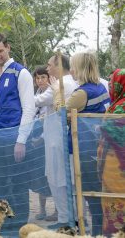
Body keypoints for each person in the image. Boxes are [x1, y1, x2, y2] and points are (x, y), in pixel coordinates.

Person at [0, 33, 36, 236]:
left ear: (8, 48)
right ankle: (4, 225)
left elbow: (29, 109)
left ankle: (20, 227)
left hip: (15, 141)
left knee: (18, 184)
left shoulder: (21, 73)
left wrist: (21, 140)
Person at [53, 52, 110, 235]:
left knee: (88, 195)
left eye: (74, 66)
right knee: (95, 195)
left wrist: (57, 94)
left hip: (83, 149)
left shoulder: (82, 93)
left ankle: (92, 233)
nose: (72, 70)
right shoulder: (101, 88)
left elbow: (61, 114)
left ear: (81, 69)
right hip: (97, 146)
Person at [35, 54, 79, 228]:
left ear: (59, 66)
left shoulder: (61, 84)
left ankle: (65, 220)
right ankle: (68, 218)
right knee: (63, 179)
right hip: (57, 138)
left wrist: (18, 96)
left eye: (49, 65)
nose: (47, 69)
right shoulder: (68, 83)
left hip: (57, 140)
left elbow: (37, 100)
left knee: (59, 179)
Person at [98, 68, 125, 235]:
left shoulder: (119, 108)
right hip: (115, 169)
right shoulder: (117, 105)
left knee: (116, 214)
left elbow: (114, 136)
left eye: (112, 82)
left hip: (115, 171)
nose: (110, 86)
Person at [31, 66, 58, 222]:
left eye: (43, 77)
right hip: (36, 141)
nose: (40, 80)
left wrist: (40, 138)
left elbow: (47, 119)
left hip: (47, 139)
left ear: (49, 78)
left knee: (51, 177)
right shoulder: (37, 93)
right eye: (37, 78)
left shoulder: (51, 92)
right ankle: (41, 209)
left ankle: (56, 210)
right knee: (39, 177)